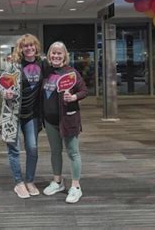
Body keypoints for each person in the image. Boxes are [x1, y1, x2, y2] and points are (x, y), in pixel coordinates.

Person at [0, 34, 48, 199]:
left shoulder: (43, 63)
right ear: (21, 48)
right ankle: (19, 182)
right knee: (14, 149)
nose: (29, 48)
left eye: (31, 45)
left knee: (32, 148)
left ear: (36, 47)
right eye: (25, 46)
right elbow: (3, 82)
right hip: (12, 114)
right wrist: (5, 92)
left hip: (32, 114)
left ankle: (30, 180)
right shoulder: (13, 65)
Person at [41, 41, 88, 203]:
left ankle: (75, 186)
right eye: (53, 53)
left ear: (64, 56)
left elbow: (84, 90)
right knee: (55, 151)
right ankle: (57, 182)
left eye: (59, 53)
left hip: (68, 119)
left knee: (73, 152)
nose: (56, 55)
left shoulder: (71, 72)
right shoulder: (46, 72)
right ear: (49, 55)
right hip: (49, 120)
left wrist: (74, 97)